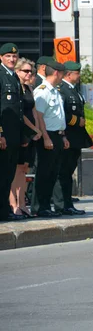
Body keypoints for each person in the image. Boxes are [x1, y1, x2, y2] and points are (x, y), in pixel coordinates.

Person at [53, 61, 91, 215]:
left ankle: (67, 203)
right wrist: (76, 121)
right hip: (68, 135)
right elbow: (61, 113)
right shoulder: (62, 90)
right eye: (77, 73)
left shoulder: (73, 90)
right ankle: (62, 204)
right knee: (63, 172)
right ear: (69, 74)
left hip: (76, 138)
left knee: (68, 172)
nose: (79, 75)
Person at [32, 59, 69, 218]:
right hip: (48, 136)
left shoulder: (55, 90)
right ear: (56, 73)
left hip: (57, 135)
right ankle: (39, 207)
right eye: (62, 73)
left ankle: (47, 206)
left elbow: (57, 116)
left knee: (53, 173)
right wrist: (46, 138)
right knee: (44, 173)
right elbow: (38, 117)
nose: (63, 76)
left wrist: (63, 136)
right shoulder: (42, 91)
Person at [9, 58, 41, 217]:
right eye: (25, 71)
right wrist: (34, 128)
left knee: (23, 169)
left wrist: (39, 129)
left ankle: (22, 203)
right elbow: (21, 114)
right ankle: (13, 204)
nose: (29, 74)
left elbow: (33, 110)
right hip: (21, 131)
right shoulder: (15, 88)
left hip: (31, 133)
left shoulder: (29, 88)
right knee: (15, 169)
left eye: (31, 71)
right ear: (17, 71)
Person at [0, 43, 26, 222]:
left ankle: (5, 210)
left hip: (14, 136)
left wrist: (22, 135)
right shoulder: (1, 76)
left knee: (8, 175)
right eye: (8, 56)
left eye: (14, 56)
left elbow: (19, 110)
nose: (12, 59)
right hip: (3, 135)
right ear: (1, 57)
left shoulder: (14, 77)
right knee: (2, 174)